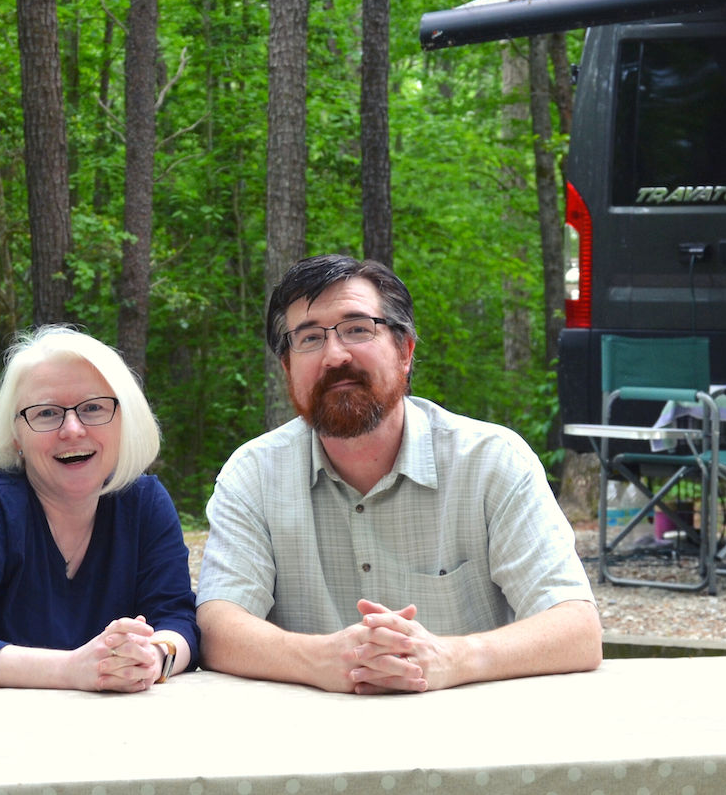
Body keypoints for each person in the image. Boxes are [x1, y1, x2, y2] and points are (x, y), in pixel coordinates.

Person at [197, 255, 601, 694]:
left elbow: (576, 628)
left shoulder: (493, 462)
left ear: (405, 351)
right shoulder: (252, 475)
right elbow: (219, 626)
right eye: (309, 338)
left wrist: (451, 658)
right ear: (287, 369)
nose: (335, 355)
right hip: (307, 741)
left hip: (475, 739)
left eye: (357, 329)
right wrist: (320, 660)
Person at [0, 326, 199, 691]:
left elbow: (178, 618)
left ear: (122, 420)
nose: (72, 429)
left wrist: (153, 657)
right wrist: (71, 669)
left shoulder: (144, 502)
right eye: (47, 413)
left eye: (93, 408)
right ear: (16, 435)